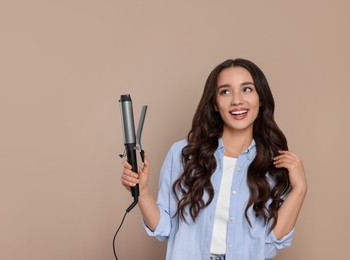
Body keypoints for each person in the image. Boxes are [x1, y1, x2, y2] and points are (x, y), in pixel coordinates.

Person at [121, 58, 307, 260]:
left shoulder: (273, 163)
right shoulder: (184, 153)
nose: (237, 100)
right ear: (215, 104)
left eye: (247, 89)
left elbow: (269, 246)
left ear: (261, 99)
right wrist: (142, 192)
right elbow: (165, 229)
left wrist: (300, 190)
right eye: (225, 91)